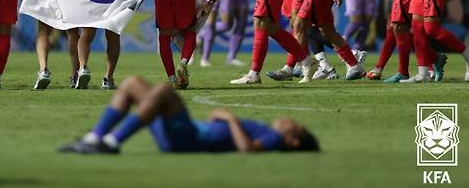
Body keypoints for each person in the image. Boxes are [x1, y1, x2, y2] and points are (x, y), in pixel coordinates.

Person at [58, 75, 319, 154]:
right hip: (185, 133)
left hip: (187, 139)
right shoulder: (270, 131)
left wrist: (231, 119)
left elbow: (248, 149)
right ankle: (95, 138)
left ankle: (112, 143)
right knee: (132, 83)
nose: (291, 122)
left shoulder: (273, 138)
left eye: (296, 127)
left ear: (293, 140)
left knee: (163, 90)